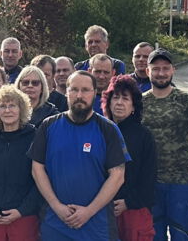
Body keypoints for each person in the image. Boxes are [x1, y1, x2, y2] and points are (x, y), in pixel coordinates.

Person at [29, 70, 129, 240]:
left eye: (85, 90)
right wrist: (57, 206)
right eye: (74, 89)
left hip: (97, 226)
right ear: (66, 92)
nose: (79, 95)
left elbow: (117, 176)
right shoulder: (48, 126)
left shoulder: (108, 129)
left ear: (95, 93)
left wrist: (88, 211)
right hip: (55, 223)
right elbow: (37, 169)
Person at [142, 48, 188, 241]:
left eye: (165, 68)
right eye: (156, 69)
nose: (161, 73)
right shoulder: (139, 103)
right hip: (150, 182)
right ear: (148, 71)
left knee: (181, 233)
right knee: (153, 234)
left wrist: (185, 158)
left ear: (173, 70)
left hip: (181, 182)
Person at [0, 85, 42, 240]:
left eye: (12, 105)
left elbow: (40, 180)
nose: (7, 110)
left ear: (21, 109)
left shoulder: (35, 138)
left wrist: (22, 210)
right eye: (2, 106)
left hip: (24, 216)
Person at [102, 75, 157, 241]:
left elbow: (149, 178)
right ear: (108, 102)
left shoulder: (143, 136)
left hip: (133, 211)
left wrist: (128, 202)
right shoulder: (100, 131)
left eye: (125, 98)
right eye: (115, 97)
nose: (119, 102)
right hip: (101, 209)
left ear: (133, 105)